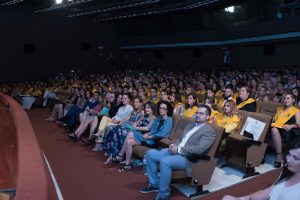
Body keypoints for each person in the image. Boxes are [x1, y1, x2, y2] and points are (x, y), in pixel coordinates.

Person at [140, 104, 216, 200]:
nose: (197, 115)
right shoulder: (191, 124)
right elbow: (180, 139)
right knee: (150, 154)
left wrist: (179, 149)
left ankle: (164, 194)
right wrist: (173, 145)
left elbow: (199, 149)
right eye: (197, 113)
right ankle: (155, 184)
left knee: (165, 162)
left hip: (189, 158)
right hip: (176, 151)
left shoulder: (209, 131)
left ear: (207, 116)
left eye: (201, 113)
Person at [222, 138, 300, 200]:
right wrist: (247, 198)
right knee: (227, 198)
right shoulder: (287, 171)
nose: (289, 160)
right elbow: (267, 192)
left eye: (296, 158)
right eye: (289, 154)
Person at [112, 100, 173, 173]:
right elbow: (152, 129)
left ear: (168, 110)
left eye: (164, 108)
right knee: (129, 140)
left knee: (131, 133)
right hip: (149, 138)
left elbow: (163, 134)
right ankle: (127, 164)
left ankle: (120, 155)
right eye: (160, 108)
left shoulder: (169, 120)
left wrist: (150, 136)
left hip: (155, 142)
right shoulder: (159, 118)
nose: (161, 109)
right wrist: (148, 133)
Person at [271, 92, 300, 167]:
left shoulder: (296, 110)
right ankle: (263, 155)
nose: (286, 100)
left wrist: (291, 126)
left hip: (288, 130)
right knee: (273, 129)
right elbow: (274, 120)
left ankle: (278, 156)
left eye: (288, 98)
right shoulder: (280, 109)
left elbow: (298, 124)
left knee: (274, 130)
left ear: (293, 100)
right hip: (277, 128)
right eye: (284, 98)